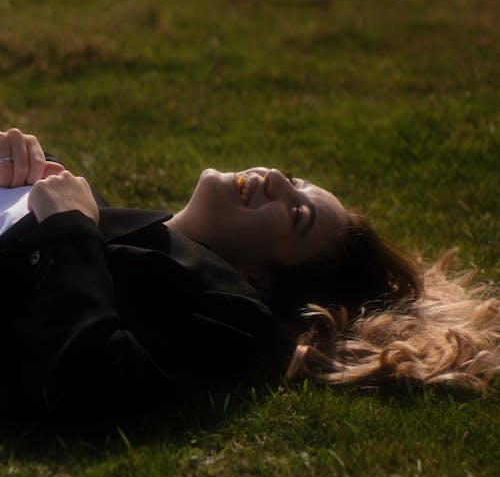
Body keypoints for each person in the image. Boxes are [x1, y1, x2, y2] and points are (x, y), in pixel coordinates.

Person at [0, 128, 497, 428]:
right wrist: (14, 160)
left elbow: (94, 382)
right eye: (298, 182)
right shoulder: (101, 212)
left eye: (296, 212)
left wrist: (68, 232)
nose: (278, 177)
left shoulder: (226, 308)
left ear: (260, 278)